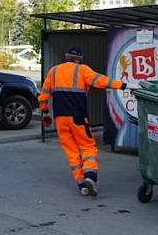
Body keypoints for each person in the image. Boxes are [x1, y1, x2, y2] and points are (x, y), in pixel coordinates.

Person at [38, 45, 141, 197]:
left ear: (66, 56)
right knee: (88, 147)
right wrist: (126, 86)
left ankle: (81, 184)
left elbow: (43, 96)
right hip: (78, 117)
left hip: (60, 119)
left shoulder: (53, 71)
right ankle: (90, 176)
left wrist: (46, 112)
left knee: (71, 151)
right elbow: (102, 81)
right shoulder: (83, 70)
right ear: (80, 58)